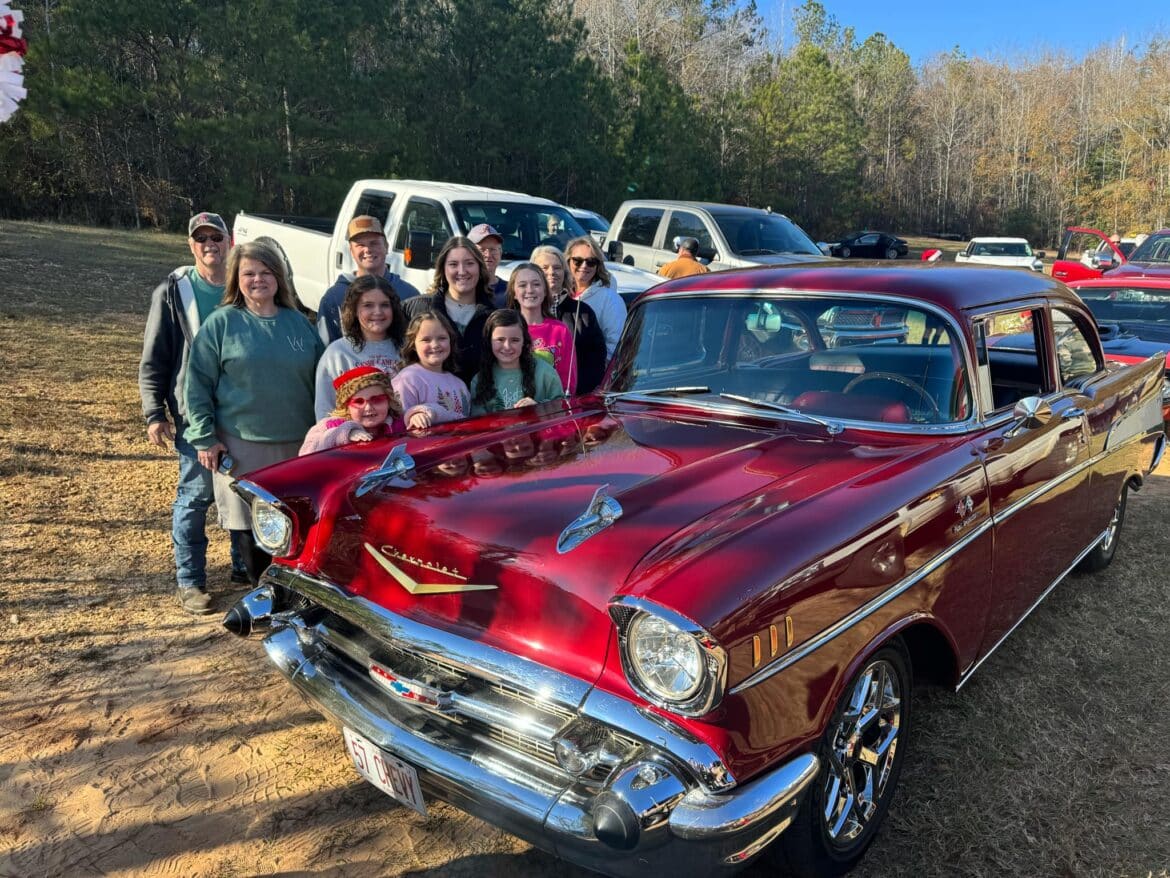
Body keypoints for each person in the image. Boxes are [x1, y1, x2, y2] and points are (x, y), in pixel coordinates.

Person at [184, 239, 323, 593]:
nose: (258, 279)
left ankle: (293, 597)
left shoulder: (300, 324)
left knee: (295, 528)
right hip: (241, 446)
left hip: (297, 447)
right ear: (236, 279)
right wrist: (204, 437)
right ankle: (261, 596)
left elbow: (322, 382)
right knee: (250, 529)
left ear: (279, 278)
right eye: (249, 273)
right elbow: (197, 384)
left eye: (266, 272)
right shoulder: (221, 324)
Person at [139, 211, 249, 615]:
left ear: (229, 241)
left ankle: (243, 566)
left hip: (241, 410)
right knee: (196, 495)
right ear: (191, 245)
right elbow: (155, 357)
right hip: (193, 414)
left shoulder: (244, 285)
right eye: (201, 239)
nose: (209, 245)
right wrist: (154, 412)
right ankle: (191, 580)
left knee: (241, 488)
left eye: (216, 237)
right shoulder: (173, 292)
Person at [403, 236, 495, 384]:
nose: (462, 271)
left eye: (469, 263)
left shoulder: (494, 316)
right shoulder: (417, 308)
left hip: (481, 397)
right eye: (453, 264)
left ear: (479, 267)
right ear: (443, 269)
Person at [316, 215, 419, 345]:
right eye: (360, 245)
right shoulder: (335, 297)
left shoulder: (409, 294)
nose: (368, 250)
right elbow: (325, 347)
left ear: (386, 247)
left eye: (374, 243)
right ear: (351, 251)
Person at [313, 275, 405, 418]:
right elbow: (325, 411)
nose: (378, 312)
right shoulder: (337, 353)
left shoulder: (406, 347)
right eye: (368, 305)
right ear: (354, 310)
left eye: (384, 305)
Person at [531, 245, 608, 394]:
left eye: (557, 268)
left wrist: (577, 393)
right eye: (544, 268)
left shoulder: (583, 313)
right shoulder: (521, 312)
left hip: (574, 397)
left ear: (565, 273)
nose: (551, 272)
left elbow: (596, 359)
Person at [470, 309, 564, 415]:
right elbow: (478, 421)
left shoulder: (545, 372)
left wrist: (537, 408)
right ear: (489, 341)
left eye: (515, 340)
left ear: (524, 341)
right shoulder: (478, 381)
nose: (507, 347)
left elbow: (562, 408)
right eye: (500, 340)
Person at [391, 310, 472, 429]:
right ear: (413, 345)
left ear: (450, 340)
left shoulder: (460, 384)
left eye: (442, 338)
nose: (435, 345)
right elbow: (399, 424)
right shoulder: (407, 380)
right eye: (426, 340)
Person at [505, 262, 577, 395]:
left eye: (536, 284)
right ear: (514, 293)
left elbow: (568, 383)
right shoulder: (504, 329)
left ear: (545, 291)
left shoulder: (560, 330)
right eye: (522, 285)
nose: (530, 290)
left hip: (551, 405)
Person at [300, 365, 404, 455]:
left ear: (389, 400)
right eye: (359, 402)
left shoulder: (397, 422)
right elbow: (307, 453)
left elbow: (409, 421)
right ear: (346, 406)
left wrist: (413, 415)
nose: (368, 407)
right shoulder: (328, 425)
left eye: (377, 400)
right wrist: (342, 433)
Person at [565, 235, 626, 360]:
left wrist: (596, 368)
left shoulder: (610, 299)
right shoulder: (559, 295)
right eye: (577, 260)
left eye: (591, 262)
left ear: (598, 265)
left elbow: (616, 345)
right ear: (568, 262)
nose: (584, 266)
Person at [468, 223, 508, 307]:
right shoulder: (463, 290)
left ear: (500, 253)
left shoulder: (510, 290)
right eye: (482, 250)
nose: (488, 255)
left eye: (493, 249)